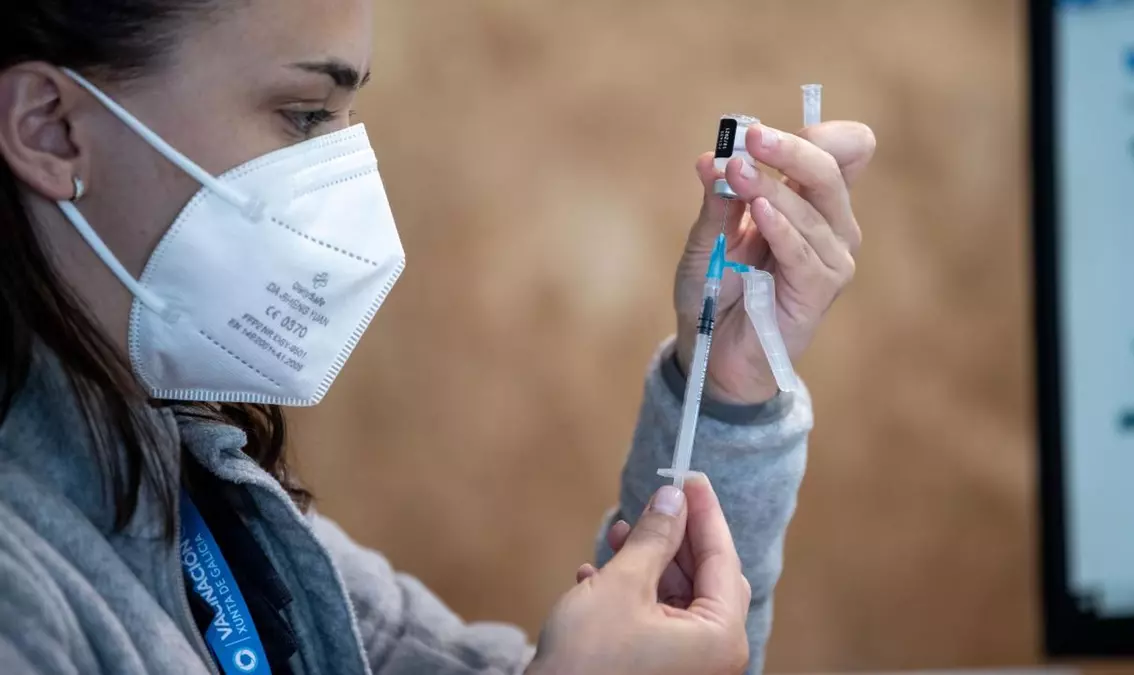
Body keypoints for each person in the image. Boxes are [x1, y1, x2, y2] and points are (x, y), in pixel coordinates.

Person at [0, 1, 875, 674]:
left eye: (345, 116)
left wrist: (724, 379)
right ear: (52, 126)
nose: (343, 178)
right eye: (304, 115)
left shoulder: (206, 495)